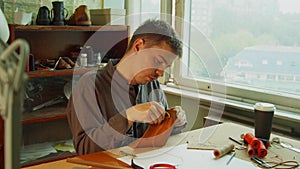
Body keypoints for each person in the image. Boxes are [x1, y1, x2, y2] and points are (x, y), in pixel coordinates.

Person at [66, 19, 187, 155]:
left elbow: (158, 133)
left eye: (166, 67)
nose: (160, 73)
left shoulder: (152, 84)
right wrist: (127, 117)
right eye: (158, 61)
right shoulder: (89, 86)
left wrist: (174, 122)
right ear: (138, 46)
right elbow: (85, 150)